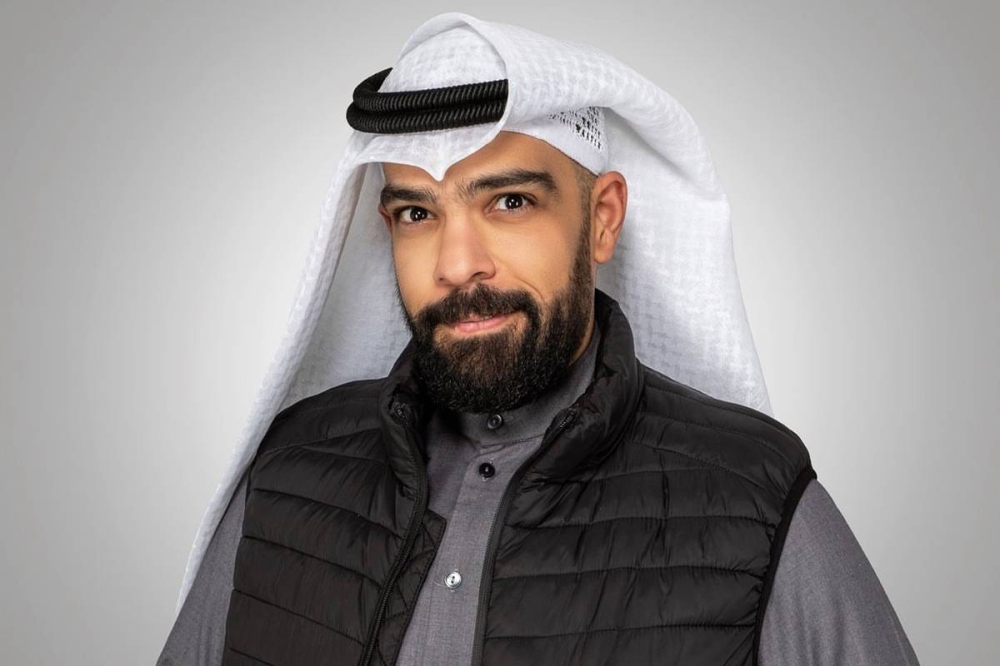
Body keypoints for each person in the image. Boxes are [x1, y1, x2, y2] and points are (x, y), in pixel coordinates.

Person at [157, 13, 920, 666]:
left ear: (602, 219)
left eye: (510, 202)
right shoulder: (288, 475)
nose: (458, 264)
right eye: (418, 214)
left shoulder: (754, 501)